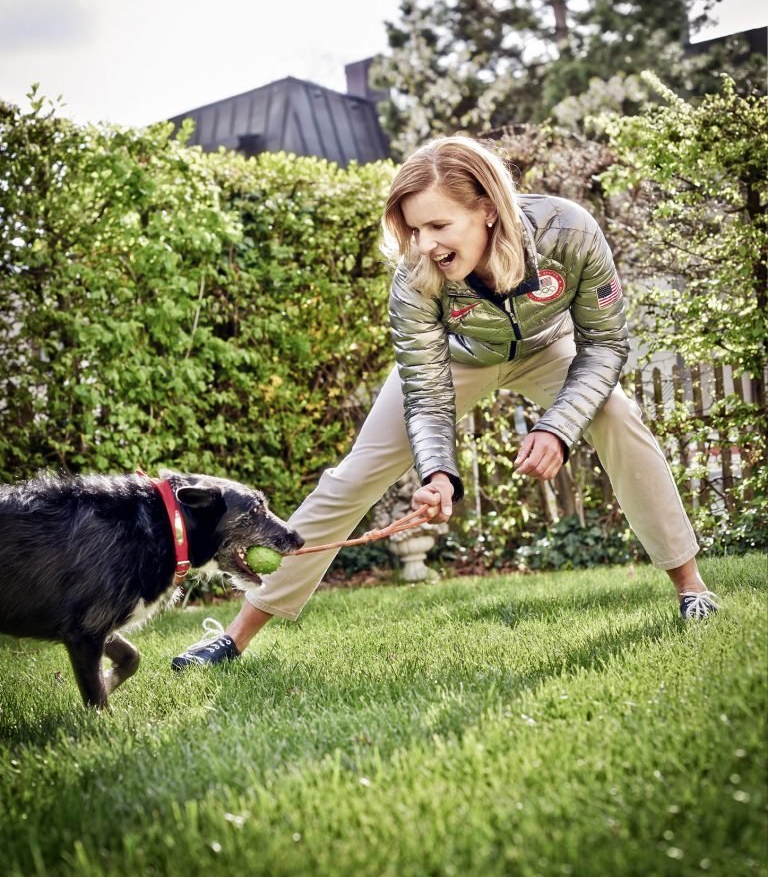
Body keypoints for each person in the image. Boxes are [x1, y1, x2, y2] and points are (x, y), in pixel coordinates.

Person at [172, 136, 718, 669]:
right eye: (414, 229)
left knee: (620, 417)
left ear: (486, 208)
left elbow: (605, 345)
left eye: (438, 225)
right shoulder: (416, 275)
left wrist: (557, 428)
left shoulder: (568, 231)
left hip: (550, 348)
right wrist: (438, 474)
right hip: (460, 357)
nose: (425, 243)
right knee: (355, 474)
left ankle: (691, 588)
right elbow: (427, 390)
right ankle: (236, 637)